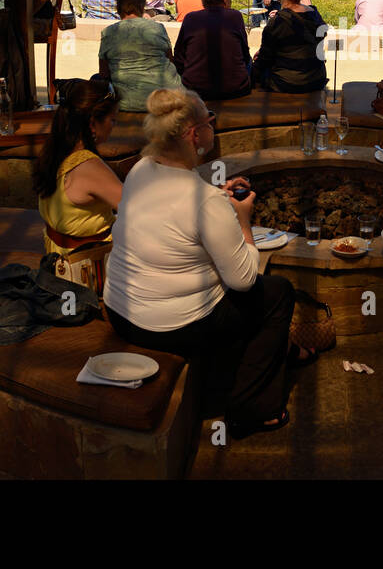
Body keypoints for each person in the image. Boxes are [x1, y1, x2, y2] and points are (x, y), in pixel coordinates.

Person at [104, 88, 308, 437]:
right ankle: (252, 408)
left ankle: (249, 364)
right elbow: (244, 280)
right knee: (276, 293)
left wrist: (218, 201)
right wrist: (242, 218)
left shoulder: (141, 169)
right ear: (194, 134)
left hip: (121, 313)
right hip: (172, 328)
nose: (215, 126)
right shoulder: (205, 201)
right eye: (210, 119)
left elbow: (174, 217)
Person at [32, 77, 123, 289]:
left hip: (57, 265)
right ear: (93, 123)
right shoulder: (89, 166)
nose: (113, 128)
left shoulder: (55, 152)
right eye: (112, 120)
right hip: (87, 274)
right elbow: (138, 212)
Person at [99, 0, 183, 110]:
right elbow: (170, 60)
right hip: (166, 99)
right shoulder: (157, 28)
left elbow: (104, 73)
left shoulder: (108, 33)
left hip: (126, 103)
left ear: (118, 7)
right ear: (142, 6)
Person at [174, 0, 252, 100]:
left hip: (195, 89)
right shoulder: (235, 16)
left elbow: (179, 56)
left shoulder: (191, 18)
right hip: (235, 89)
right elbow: (244, 55)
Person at [252, 0, 327, 93]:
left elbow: (263, 61)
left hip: (287, 83)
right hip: (316, 80)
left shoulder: (278, 22)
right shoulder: (315, 14)